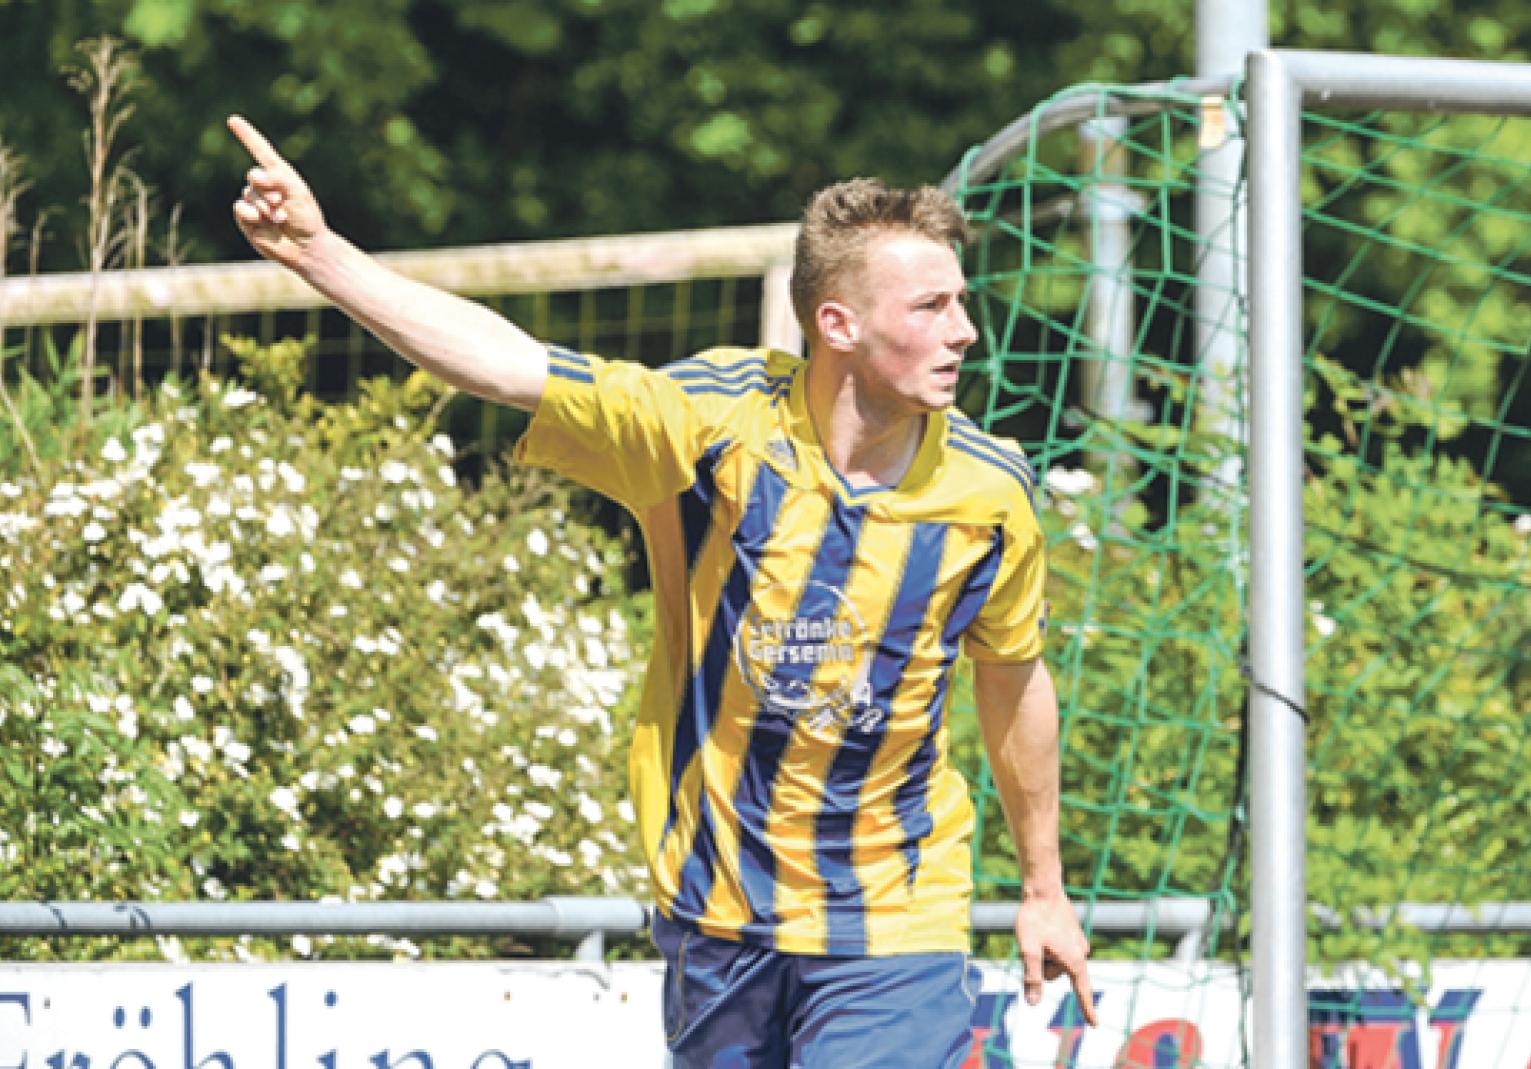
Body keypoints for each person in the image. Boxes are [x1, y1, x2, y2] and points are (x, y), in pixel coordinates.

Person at [228, 113, 1096, 1066]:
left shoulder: (989, 491)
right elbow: (508, 365)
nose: (965, 330)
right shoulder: (711, 424)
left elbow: (1013, 678)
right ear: (837, 325)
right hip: (716, 908)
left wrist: (1044, 886)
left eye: (962, 301)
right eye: (931, 306)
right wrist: (321, 254)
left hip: (894, 919)